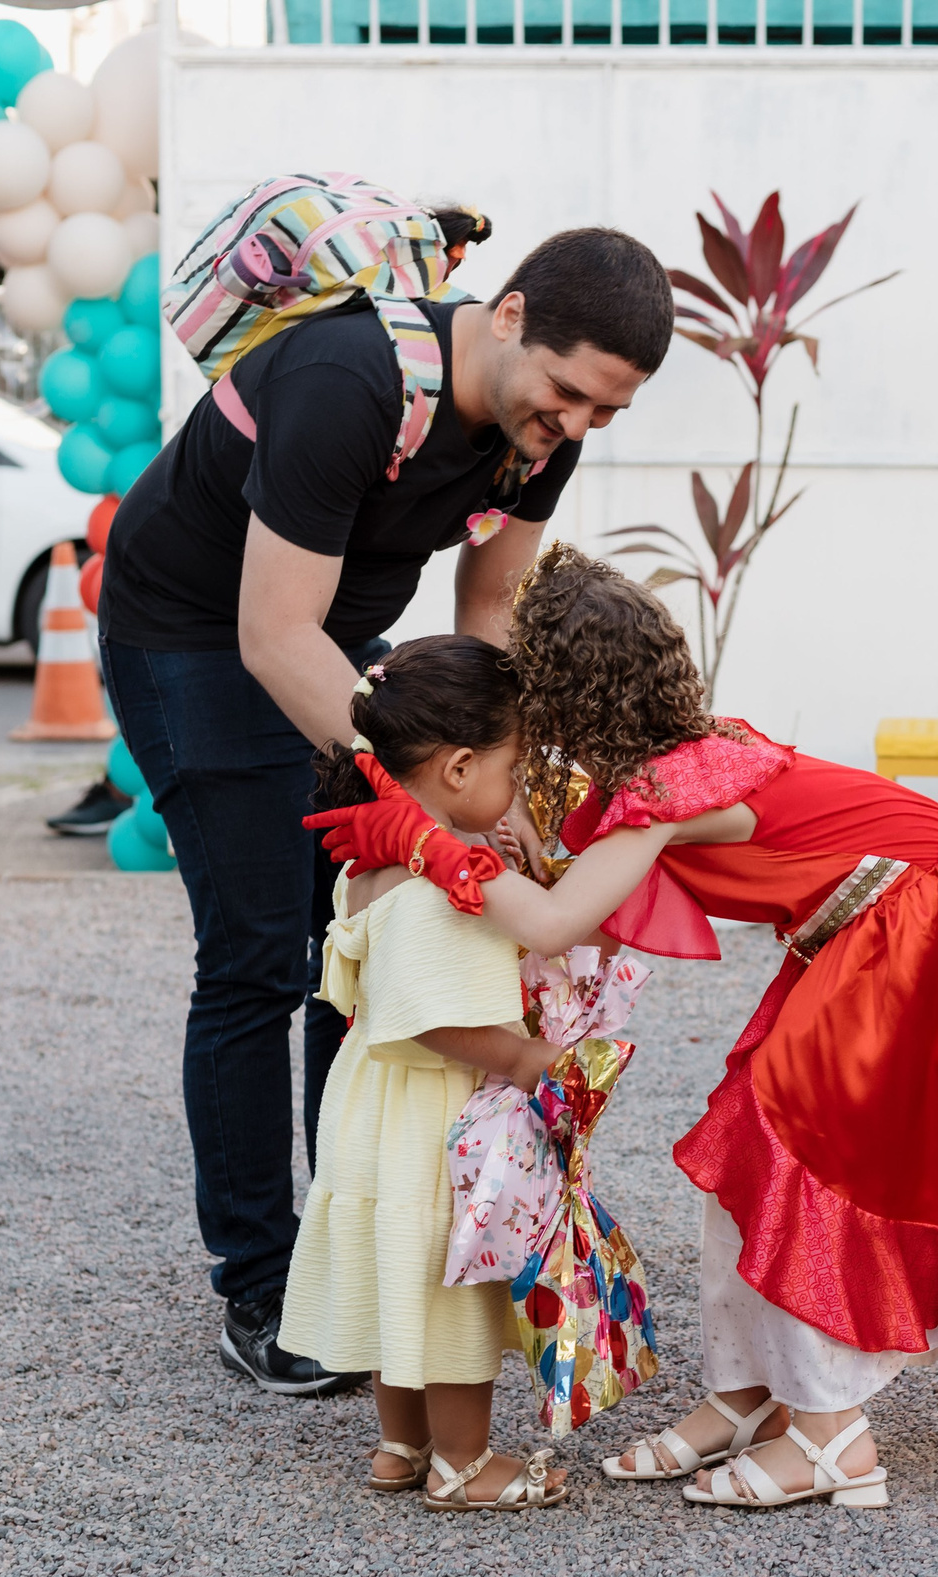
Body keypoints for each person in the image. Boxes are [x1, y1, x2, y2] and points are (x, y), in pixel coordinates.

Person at [315, 544, 938, 1511]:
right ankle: (749, 1396)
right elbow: (576, 893)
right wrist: (512, 850)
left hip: (914, 913)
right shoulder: (661, 767)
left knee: (793, 1145)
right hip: (875, 912)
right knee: (746, 1141)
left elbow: (551, 925)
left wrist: (428, 844)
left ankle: (832, 1438)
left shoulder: (662, 795)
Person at [95, 227, 674, 1397]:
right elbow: (271, 636)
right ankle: (262, 1282)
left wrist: (503, 786)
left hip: (340, 638)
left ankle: (346, 1246)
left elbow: (492, 602)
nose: (575, 424)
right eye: (568, 393)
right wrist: (418, 804)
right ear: (507, 315)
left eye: (606, 411)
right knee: (260, 953)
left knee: (358, 941)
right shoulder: (346, 381)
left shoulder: (539, 433)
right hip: (194, 636)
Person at [278, 636, 570, 1509]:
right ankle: (464, 1464)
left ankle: (400, 1445)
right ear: (459, 767)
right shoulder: (440, 887)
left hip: (370, 1097)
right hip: (432, 1111)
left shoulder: (373, 859)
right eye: (513, 768)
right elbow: (433, 1016)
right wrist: (522, 1057)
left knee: (397, 1271)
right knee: (447, 1289)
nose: (517, 787)